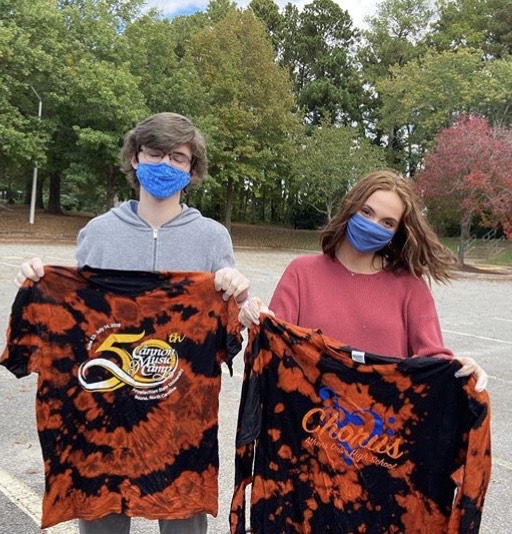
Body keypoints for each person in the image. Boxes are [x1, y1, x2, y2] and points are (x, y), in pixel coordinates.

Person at [12, 112, 250, 534]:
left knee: (183, 524)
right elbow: (76, 314)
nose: (165, 164)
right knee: (102, 520)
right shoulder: (98, 232)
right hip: (102, 420)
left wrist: (236, 292)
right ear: (135, 158)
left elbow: (228, 332)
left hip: (180, 426)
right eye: (154, 152)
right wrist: (41, 285)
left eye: (178, 157)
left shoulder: (213, 238)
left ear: (192, 169)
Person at [239, 169, 487, 390]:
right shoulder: (301, 273)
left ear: (395, 233)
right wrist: (254, 316)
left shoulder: (410, 286)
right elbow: (273, 346)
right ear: (350, 208)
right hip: (307, 430)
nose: (372, 225)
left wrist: (460, 370)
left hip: (382, 435)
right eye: (366, 212)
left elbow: (433, 360)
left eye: (387, 223)